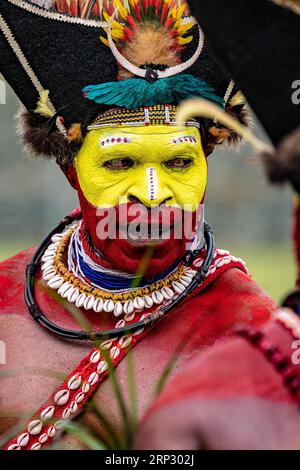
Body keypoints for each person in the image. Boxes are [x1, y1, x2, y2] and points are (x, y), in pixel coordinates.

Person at [0, 0, 275, 450]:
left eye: (179, 162)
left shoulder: (252, 334)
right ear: (71, 171)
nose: (151, 194)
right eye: (120, 161)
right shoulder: (6, 293)